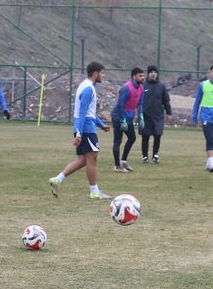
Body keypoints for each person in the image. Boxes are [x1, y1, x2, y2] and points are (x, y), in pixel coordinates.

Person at [49, 62, 112, 200]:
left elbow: (89, 112)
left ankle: (57, 179)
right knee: (92, 159)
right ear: (95, 74)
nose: (103, 75)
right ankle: (94, 191)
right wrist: (79, 134)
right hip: (86, 129)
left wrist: (101, 125)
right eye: (102, 72)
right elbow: (82, 113)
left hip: (84, 127)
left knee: (83, 160)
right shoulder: (88, 89)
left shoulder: (86, 86)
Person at [110, 67, 145, 172]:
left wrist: (141, 117)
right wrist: (122, 120)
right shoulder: (126, 88)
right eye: (140, 75)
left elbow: (140, 104)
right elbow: (120, 105)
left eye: (143, 75)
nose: (143, 77)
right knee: (118, 140)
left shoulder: (141, 88)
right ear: (134, 76)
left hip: (129, 117)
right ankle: (117, 166)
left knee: (132, 138)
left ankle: (123, 161)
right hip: (118, 117)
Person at [140, 65, 171, 164]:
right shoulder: (142, 86)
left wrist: (169, 112)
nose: (153, 74)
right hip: (145, 115)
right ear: (148, 74)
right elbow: (138, 100)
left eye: (155, 72)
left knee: (157, 135)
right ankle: (145, 155)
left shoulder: (161, 86)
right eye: (151, 72)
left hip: (158, 115)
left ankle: (155, 155)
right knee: (145, 136)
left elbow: (166, 101)